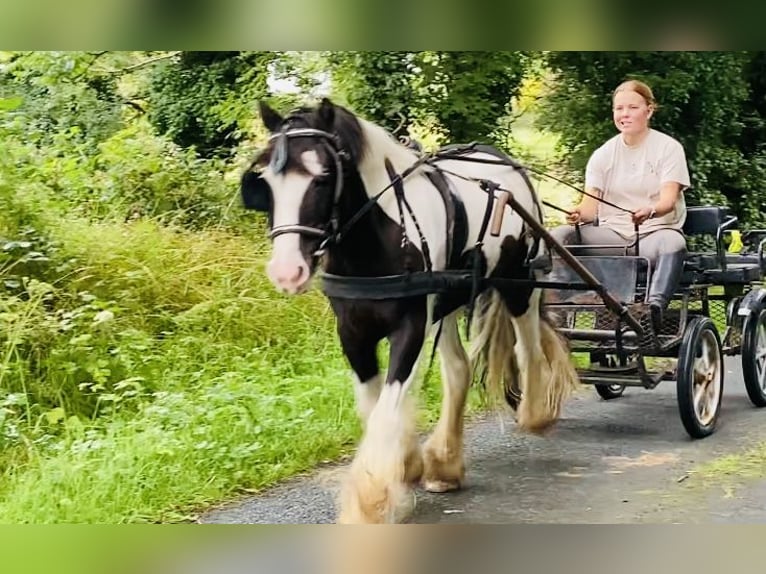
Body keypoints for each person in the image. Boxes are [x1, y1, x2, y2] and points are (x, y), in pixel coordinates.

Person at [548, 79, 691, 330]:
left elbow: (668, 201)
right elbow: (589, 209)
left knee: (674, 242)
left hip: (652, 236)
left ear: (649, 109)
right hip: (612, 237)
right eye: (619, 108)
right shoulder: (603, 154)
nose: (624, 114)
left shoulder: (669, 148)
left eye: (632, 108)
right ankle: (556, 302)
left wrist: (650, 210)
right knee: (560, 234)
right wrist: (577, 213)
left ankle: (652, 309)